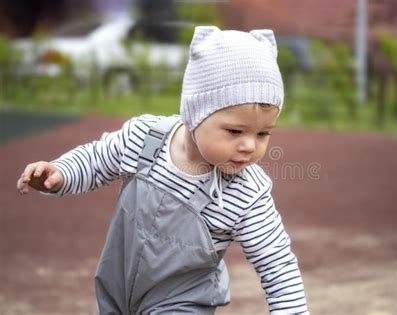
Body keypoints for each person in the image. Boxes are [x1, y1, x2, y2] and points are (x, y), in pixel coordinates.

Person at [17, 26, 309, 314]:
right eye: (235, 131)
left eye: (263, 134)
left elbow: (277, 265)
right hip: (114, 289)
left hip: (181, 304)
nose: (249, 146)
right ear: (196, 113)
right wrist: (61, 173)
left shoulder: (247, 193)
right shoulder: (146, 138)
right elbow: (97, 159)